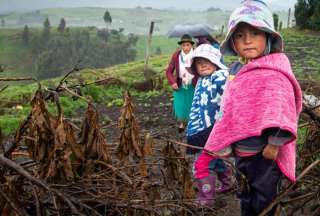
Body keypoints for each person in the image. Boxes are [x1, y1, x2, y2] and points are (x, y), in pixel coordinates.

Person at [194, 0, 303, 215]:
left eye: (255, 34)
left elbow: (281, 110)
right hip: (241, 152)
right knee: (245, 194)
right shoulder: (237, 69)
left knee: (264, 198)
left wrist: (274, 144)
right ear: (233, 42)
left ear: (268, 37)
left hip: (263, 154)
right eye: (240, 35)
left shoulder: (274, 72)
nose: (247, 41)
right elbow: (231, 107)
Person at [185, 44, 233, 206]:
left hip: (214, 130)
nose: (203, 65)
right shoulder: (202, 81)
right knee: (215, 159)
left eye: (207, 61)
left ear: (216, 62)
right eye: (199, 62)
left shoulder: (220, 76)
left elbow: (232, 91)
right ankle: (228, 183)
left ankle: (206, 198)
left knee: (201, 165)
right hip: (203, 131)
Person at [166, 34, 197, 132]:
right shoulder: (176, 55)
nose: (186, 47)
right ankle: (181, 123)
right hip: (180, 83)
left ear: (191, 45)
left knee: (192, 103)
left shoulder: (196, 55)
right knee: (180, 104)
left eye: (188, 45)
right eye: (183, 45)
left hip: (193, 83)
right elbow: (169, 71)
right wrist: (173, 82)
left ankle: (192, 123)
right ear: (181, 46)